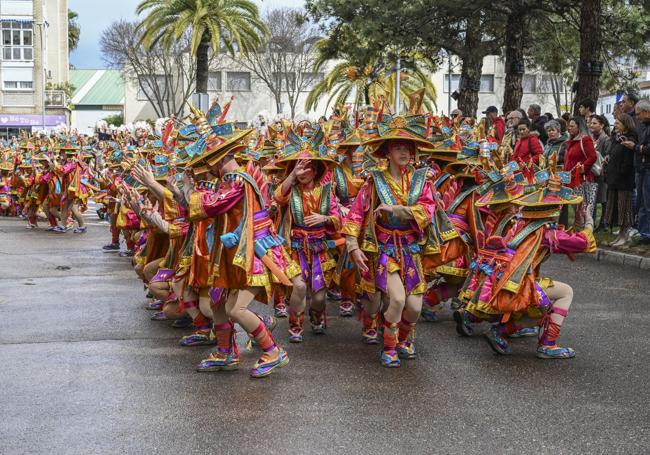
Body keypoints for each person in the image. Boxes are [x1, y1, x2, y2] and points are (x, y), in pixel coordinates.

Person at [343, 114, 439, 367]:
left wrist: (397, 210)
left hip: (411, 249)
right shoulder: (373, 181)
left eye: (407, 146)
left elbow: (427, 212)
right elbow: (355, 215)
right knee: (396, 299)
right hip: (384, 249)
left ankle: (403, 339)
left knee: (415, 308)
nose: (404, 151)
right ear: (387, 151)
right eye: (398, 146)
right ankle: (389, 347)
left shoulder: (422, 181)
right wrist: (353, 246)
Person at [605, 114, 638, 246]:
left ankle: (625, 236)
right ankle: (620, 235)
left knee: (624, 208)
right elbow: (614, 153)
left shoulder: (630, 139)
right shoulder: (617, 139)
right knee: (616, 209)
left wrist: (619, 174)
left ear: (625, 124)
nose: (615, 125)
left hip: (623, 180)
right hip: (614, 178)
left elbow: (627, 162)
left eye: (618, 123)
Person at [563, 116, 597, 230]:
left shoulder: (585, 139)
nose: (569, 128)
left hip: (582, 179)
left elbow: (593, 156)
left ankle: (585, 232)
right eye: (569, 126)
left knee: (583, 208)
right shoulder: (571, 141)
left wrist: (584, 167)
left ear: (579, 127)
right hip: (571, 179)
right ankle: (579, 231)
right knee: (576, 208)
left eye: (572, 126)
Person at [624, 99, 650, 244]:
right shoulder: (644, 126)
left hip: (647, 169)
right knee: (641, 202)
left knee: (647, 203)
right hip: (642, 168)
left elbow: (647, 148)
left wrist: (636, 147)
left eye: (639, 114)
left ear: (647, 112)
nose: (637, 118)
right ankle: (643, 232)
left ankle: (647, 234)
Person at [589, 114, 612, 232]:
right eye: (590, 123)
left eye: (594, 123)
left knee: (603, 199)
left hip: (601, 173)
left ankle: (604, 222)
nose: (591, 125)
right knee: (592, 199)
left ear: (601, 125)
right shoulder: (590, 138)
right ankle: (591, 223)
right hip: (591, 173)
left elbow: (608, 155)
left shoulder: (606, 139)